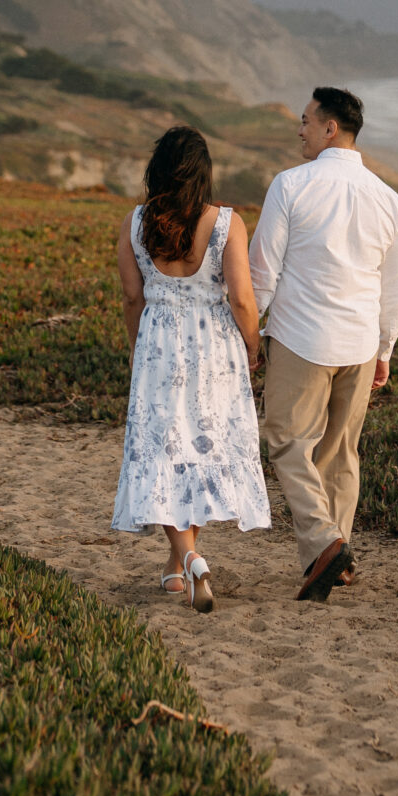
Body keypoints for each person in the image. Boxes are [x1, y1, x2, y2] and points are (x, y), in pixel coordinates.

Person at [250, 85, 398, 602]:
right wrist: (385, 350)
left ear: (329, 128)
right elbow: (393, 286)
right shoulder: (387, 197)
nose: (299, 129)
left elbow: (262, 272)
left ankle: (325, 543)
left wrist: (249, 334)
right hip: (361, 341)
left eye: (305, 120)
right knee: (341, 452)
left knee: (286, 441)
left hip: (301, 336)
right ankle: (334, 562)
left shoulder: (290, 185)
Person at [111, 124, 271, 612]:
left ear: (157, 171)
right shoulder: (226, 223)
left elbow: (132, 296)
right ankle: (189, 557)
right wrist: (251, 347)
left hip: (160, 342)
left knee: (163, 450)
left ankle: (181, 561)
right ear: (202, 175)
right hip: (213, 350)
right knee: (198, 448)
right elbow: (243, 299)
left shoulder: (135, 223)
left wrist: (140, 347)